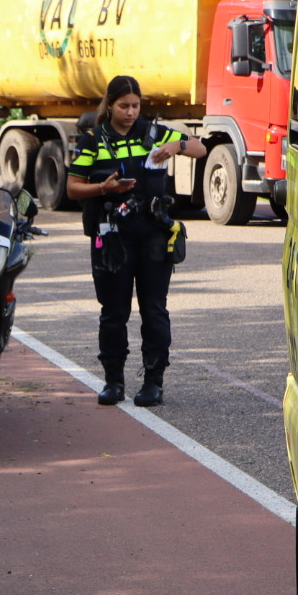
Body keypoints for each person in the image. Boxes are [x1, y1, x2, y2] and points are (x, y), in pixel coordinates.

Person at [65, 75, 207, 407]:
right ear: (110, 105)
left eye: (136, 106)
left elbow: (200, 148)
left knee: (154, 310)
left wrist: (177, 146)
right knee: (113, 312)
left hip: (153, 236)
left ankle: (154, 382)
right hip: (111, 237)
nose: (131, 113)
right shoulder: (92, 141)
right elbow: (73, 188)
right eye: (124, 106)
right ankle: (113, 381)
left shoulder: (153, 132)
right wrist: (104, 189)